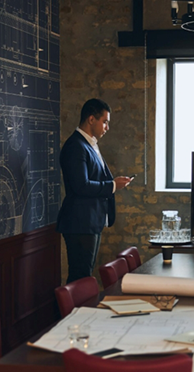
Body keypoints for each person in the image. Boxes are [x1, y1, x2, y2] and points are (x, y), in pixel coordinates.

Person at [56, 99, 132, 283]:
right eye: (104, 121)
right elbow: (81, 185)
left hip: (90, 222)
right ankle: (72, 312)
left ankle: (79, 311)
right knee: (80, 277)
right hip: (79, 222)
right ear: (91, 119)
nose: (107, 127)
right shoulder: (76, 146)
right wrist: (113, 185)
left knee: (84, 274)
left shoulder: (89, 144)